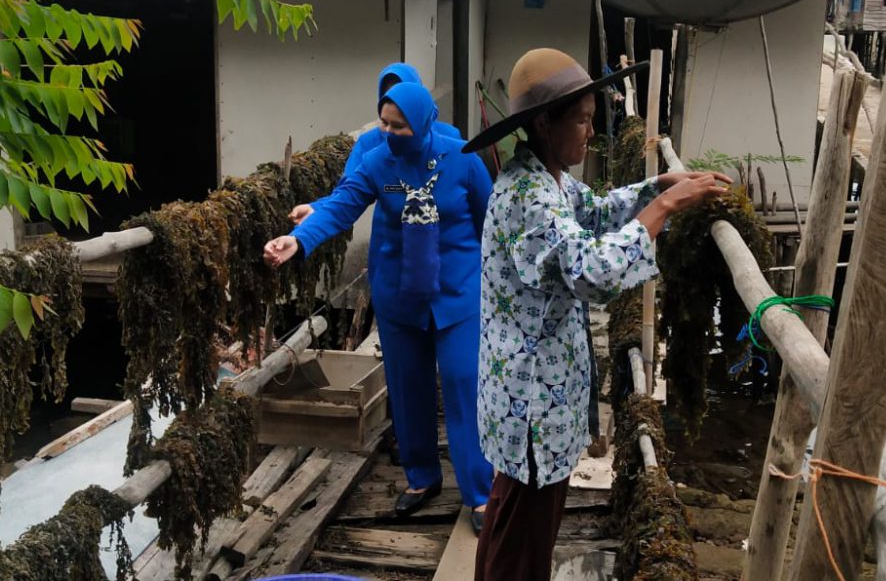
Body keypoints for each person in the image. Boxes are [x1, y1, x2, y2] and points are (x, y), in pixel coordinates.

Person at [462, 48, 730, 580]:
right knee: (520, 542)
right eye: (581, 120)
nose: (590, 132)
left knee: (514, 525)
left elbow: (597, 211)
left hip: (538, 398)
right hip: (531, 407)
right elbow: (594, 272)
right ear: (543, 122)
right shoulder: (527, 196)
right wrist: (664, 210)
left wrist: (656, 187)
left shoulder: (550, 179)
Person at [264, 81, 495, 533]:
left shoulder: (464, 158)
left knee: (464, 383)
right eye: (384, 123)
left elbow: (491, 219)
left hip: (458, 295)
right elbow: (341, 207)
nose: (389, 132)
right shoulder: (376, 163)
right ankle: (421, 477)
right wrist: (299, 239)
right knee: (408, 390)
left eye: (399, 126)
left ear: (425, 121)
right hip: (399, 297)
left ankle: (480, 493)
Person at [288, 63, 462, 227]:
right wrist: (317, 209)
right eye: (390, 96)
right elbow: (349, 192)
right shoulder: (370, 143)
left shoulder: (449, 137)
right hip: (390, 244)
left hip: (443, 239)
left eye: (403, 94)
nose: (397, 104)